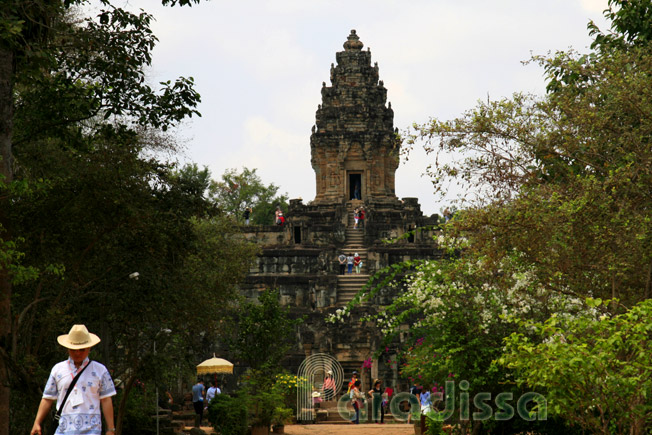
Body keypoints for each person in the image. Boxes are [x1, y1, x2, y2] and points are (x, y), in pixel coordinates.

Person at [30, 324, 116, 435]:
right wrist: (37, 422)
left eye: (82, 349)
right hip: (63, 430)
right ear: (68, 349)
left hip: (91, 430)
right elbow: (47, 398)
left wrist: (111, 429)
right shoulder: (58, 369)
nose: (77, 353)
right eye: (73, 349)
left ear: (89, 348)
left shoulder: (100, 370)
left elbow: (106, 399)